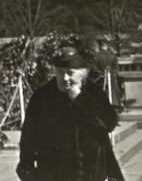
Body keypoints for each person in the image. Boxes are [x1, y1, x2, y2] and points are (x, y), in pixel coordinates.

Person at [17, 45, 124, 181]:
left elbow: (109, 124)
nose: (65, 78)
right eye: (60, 72)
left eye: (70, 73)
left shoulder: (94, 94)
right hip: (53, 172)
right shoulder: (43, 96)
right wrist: (27, 169)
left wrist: (79, 100)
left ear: (83, 73)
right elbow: (29, 136)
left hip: (91, 171)